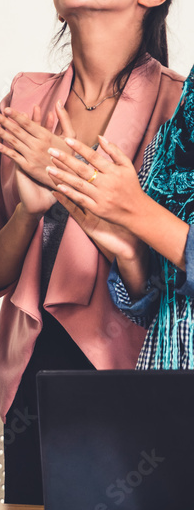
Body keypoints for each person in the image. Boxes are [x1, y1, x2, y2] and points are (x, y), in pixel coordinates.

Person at [0, 0, 182, 504]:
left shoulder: (178, 108)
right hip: (31, 383)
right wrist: (29, 211)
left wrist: (118, 231)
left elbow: (172, 290)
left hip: (130, 382)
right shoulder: (23, 103)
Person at [47, 62, 194, 369]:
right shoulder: (183, 110)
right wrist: (130, 251)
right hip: (162, 387)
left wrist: (138, 212)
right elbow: (160, 308)